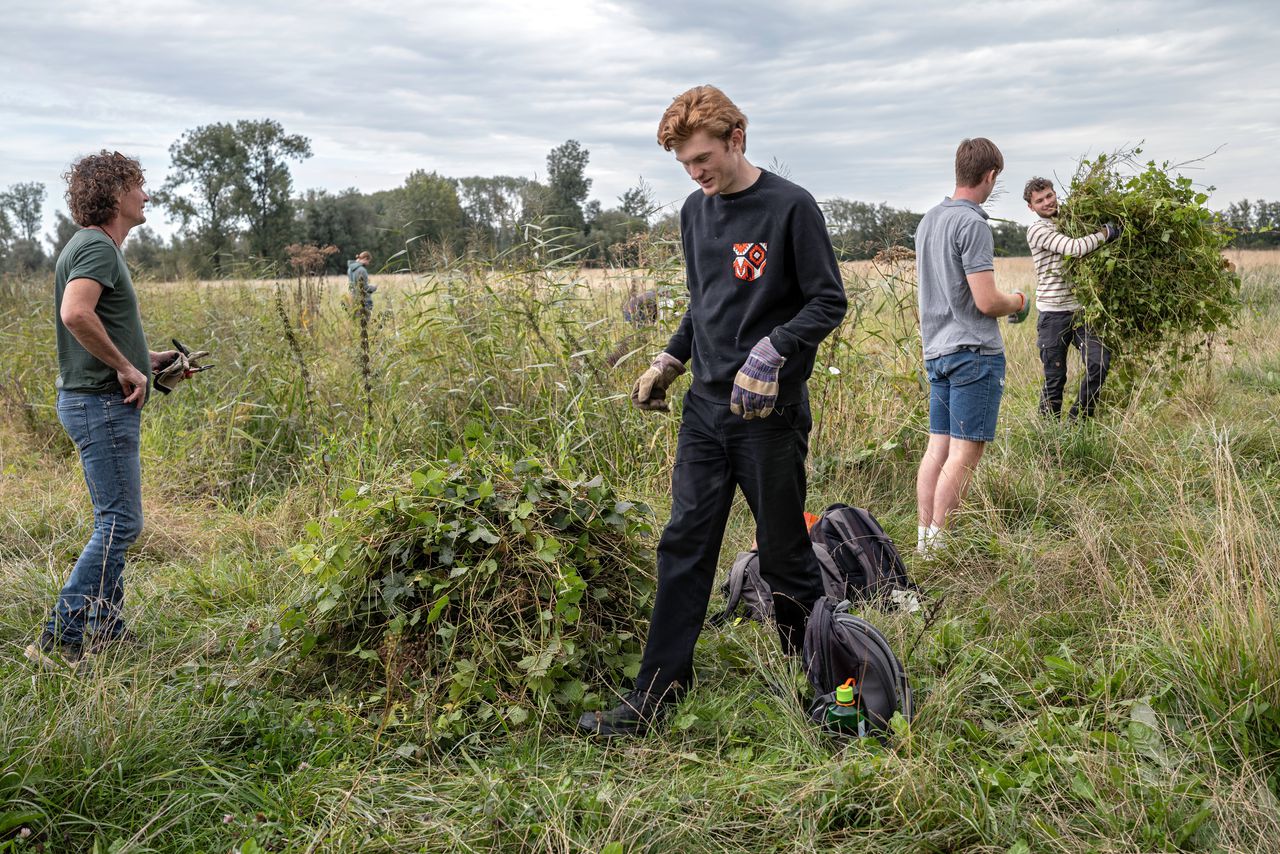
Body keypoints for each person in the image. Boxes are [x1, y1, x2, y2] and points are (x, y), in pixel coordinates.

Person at [578, 85, 848, 736]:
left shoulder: (790, 207)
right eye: (683, 163)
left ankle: (829, 693)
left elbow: (827, 301)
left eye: (702, 157)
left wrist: (773, 351)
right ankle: (656, 694)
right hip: (704, 411)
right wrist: (669, 360)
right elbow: (703, 305)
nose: (696, 172)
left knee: (785, 556)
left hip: (768, 416)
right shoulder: (696, 215)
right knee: (683, 547)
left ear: (736, 139)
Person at [25, 150, 178, 667]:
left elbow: (97, 323)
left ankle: (104, 627)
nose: (146, 195)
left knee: (114, 521)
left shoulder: (91, 246)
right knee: (120, 524)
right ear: (115, 193)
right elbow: (76, 313)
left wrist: (146, 359)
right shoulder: (97, 247)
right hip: (99, 406)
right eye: (139, 186)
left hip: (93, 400)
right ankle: (59, 637)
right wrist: (125, 369)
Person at [914, 138, 1028, 556]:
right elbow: (985, 301)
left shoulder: (929, 220)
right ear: (991, 175)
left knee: (937, 447)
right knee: (964, 453)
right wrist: (1018, 301)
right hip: (973, 353)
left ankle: (925, 542)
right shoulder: (973, 224)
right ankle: (941, 548)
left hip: (937, 351)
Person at [1023, 177, 1121, 419]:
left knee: (1099, 362)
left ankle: (1078, 421)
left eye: (1049, 196)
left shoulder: (1071, 222)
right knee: (1055, 378)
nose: (1047, 202)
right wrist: (1105, 233)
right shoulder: (1037, 230)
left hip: (1080, 312)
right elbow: (1075, 249)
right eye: (1040, 200)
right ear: (1031, 207)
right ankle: (1049, 437)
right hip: (1052, 315)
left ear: (1055, 193)